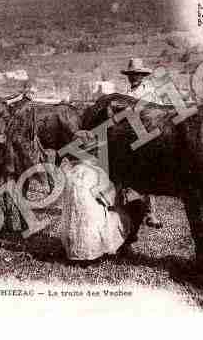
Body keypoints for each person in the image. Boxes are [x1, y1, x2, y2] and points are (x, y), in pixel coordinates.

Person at [61, 132, 144, 263]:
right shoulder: (97, 173)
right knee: (126, 212)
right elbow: (109, 199)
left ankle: (76, 250)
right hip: (93, 230)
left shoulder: (71, 172)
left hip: (73, 233)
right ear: (93, 153)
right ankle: (108, 248)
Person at [120, 58, 163, 229]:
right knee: (126, 175)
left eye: (137, 74)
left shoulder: (151, 93)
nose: (134, 77)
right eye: (131, 75)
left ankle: (150, 212)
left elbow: (159, 115)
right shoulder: (123, 94)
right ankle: (125, 209)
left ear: (142, 76)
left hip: (146, 137)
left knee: (147, 173)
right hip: (127, 138)